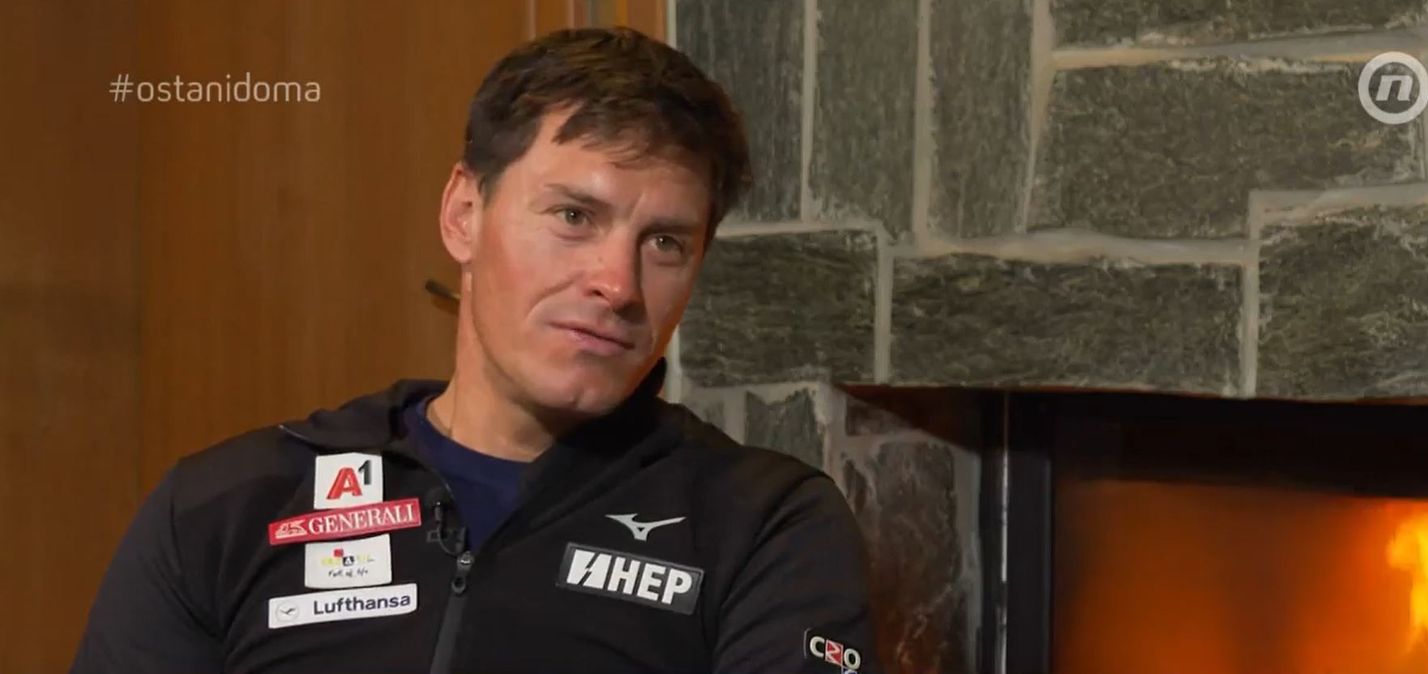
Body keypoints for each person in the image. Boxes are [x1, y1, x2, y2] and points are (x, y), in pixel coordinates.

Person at [72, 27, 881, 674]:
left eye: (664, 242)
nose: (617, 284)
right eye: (573, 217)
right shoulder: (227, 508)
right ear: (464, 213)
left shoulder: (760, 526)